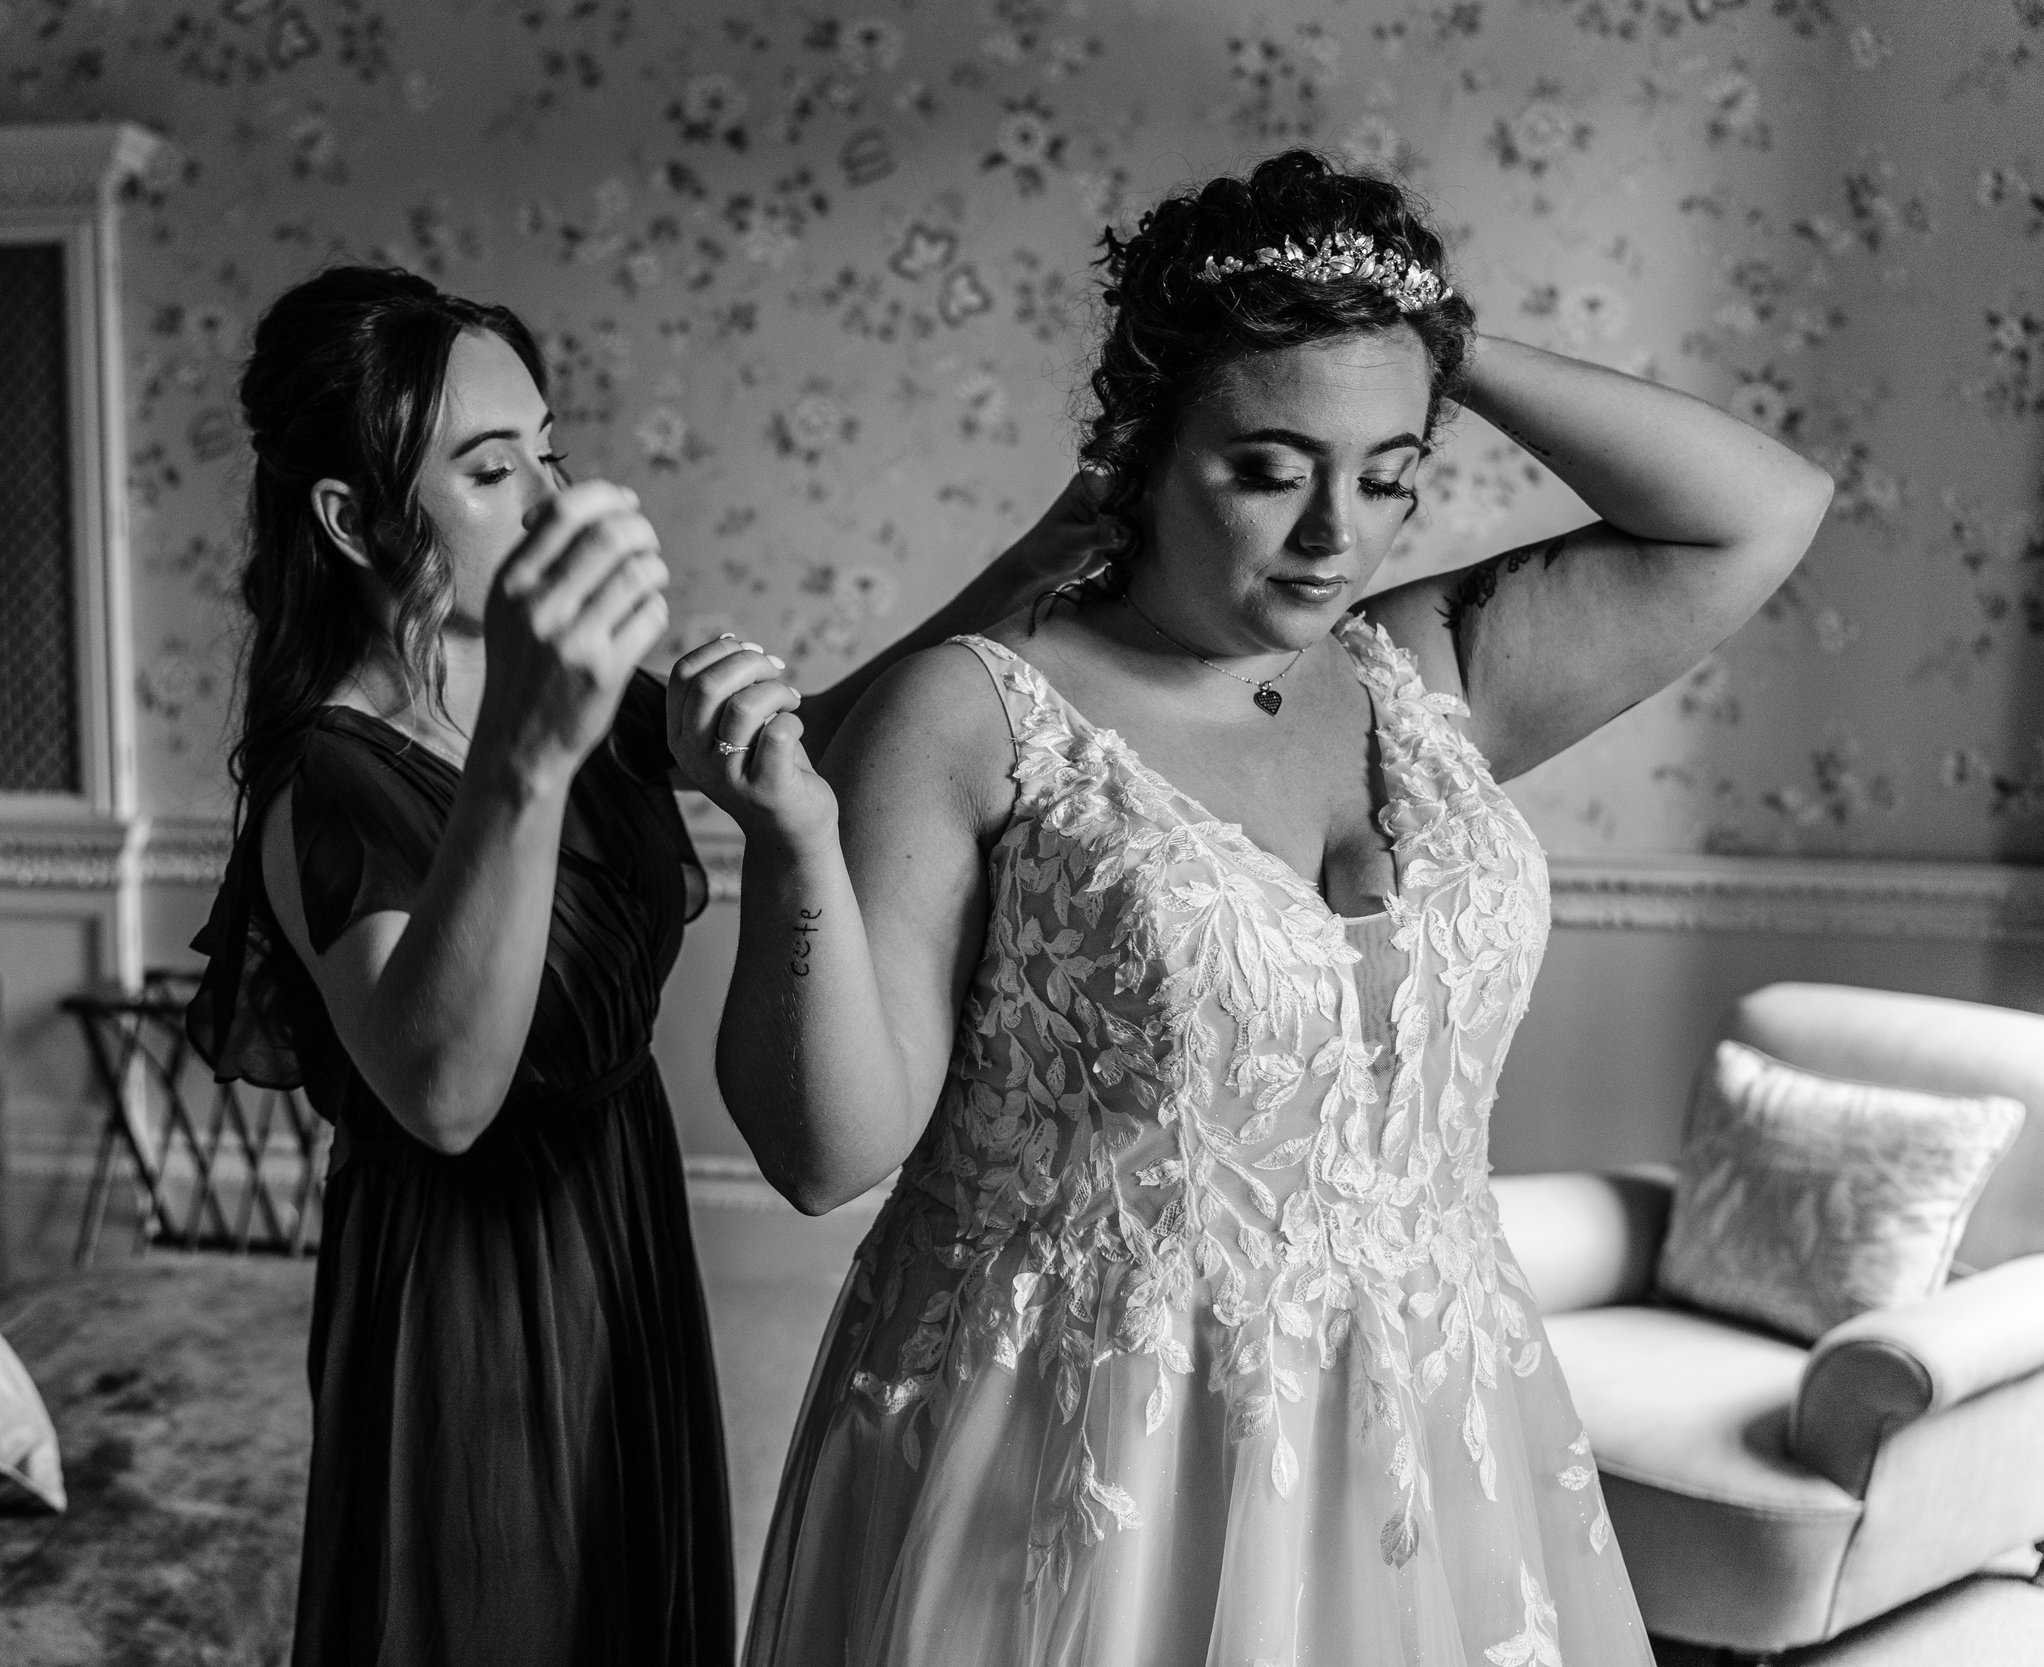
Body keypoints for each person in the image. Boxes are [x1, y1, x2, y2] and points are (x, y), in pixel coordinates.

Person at [669, 151, 1832, 1665]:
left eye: (1391, 471)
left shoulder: (1423, 670)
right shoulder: (970, 717)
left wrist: (1421, 336)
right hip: (1095, 1450)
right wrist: (794, 842)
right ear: (1143, 453)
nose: (1336, 534)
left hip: (1433, 1419)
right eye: (1271, 468)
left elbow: (1760, 511)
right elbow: (827, 1155)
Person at [182, 264, 1107, 1667]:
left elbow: (814, 742)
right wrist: (531, 745)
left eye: (550, 455)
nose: (551, 504)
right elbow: (442, 1095)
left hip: (621, 1221)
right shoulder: (334, 780)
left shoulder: (564, 691)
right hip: (464, 1304)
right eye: (493, 473)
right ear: (354, 517)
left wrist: (1037, 566)